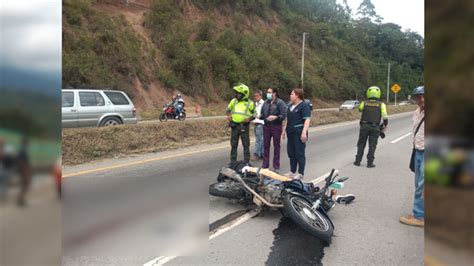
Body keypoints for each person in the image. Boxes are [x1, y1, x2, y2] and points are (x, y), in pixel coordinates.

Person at [400, 86, 425, 227]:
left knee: (423, 184)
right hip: (418, 150)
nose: (421, 99)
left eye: (423, 96)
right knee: (419, 183)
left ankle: (420, 216)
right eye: (418, 97)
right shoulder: (417, 112)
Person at [353, 86, 388, 168]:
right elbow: (385, 117)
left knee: (361, 143)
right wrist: (385, 125)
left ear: (368, 93)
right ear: (378, 94)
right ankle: (370, 163)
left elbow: (360, 109)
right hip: (375, 127)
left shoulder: (364, 103)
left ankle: (357, 161)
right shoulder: (381, 105)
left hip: (364, 126)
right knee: (372, 145)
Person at [282, 89, 311, 179]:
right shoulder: (290, 106)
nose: (290, 96)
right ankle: (292, 171)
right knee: (291, 152)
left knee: (299, 153)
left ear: (297, 95)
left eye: (292, 94)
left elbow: (307, 119)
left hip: (299, 132)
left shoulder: (304, 106)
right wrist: (283, 131)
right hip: (290, 132)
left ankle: (300, 173)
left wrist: (304, 132)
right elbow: (287, 119)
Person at [226, 83, 256, 164]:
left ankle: (246, 161)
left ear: (244, 94)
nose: (236, 94)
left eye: (238, 93)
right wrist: (228, 115)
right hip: (234, 126)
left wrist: (249, 119)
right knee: (233, 144)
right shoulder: (233, 101)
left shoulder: (250, 103)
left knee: (246, 144)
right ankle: (233, 161)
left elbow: (255, 114)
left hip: (244, 126)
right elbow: (228, 109)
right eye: (236, 93)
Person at [260, 88, 287, 172]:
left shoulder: (280, 103)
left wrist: (275, 117)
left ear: (274, 93)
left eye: (269, 92)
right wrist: (257, 116)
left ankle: (276, 166)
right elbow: (262, 115)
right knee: (266, 146)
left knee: (276, 146)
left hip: (276, 126)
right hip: (266, 126)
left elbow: (283, 115)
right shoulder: (265, 102)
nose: (267, 94)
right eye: (267, 92)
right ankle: (265, 165)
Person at [17, 136, 31, 207]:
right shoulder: (22, 151)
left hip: (23, 170)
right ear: (25, 143)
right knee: (24, 185)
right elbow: (21, 162)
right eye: (27, 142)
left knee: (25, 185)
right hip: (23, 170)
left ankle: (21, 199)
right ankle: (20, 200)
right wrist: (25, 171)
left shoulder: (22, 150)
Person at [252, 90, 265, 160]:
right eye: (254, 96)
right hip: (256, 123)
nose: (255, 97)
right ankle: (262, 153)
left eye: (257, 96)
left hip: (261, 122)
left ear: (261, 96)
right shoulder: (255, 104)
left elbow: (263, 114)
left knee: (259, 139)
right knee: (260, 139)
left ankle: (257, 154)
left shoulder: (263, 103)